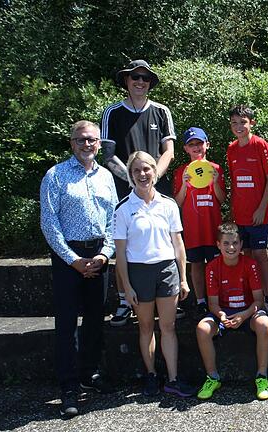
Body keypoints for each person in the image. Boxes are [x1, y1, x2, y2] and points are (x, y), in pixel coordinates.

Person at [40, 120, 118, 418]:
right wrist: (73, 260)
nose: (87, 145)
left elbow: (112, 219)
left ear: (99, 144)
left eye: (93, 140)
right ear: (72, 142)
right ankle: (69, 386)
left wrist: (103, 255)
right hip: (67, 257)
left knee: (96, 319)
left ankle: (90, 373)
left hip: (98, 255)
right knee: (67, 323)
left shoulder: (106, 177)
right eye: (82, 140)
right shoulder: (56, 175)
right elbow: (49, 222)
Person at [101, 59, 179, 326]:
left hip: (157, 187)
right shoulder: (112, 112)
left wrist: (154, 175)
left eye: (145, 78)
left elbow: (168, 150)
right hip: (125, 189)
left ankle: (168, 297)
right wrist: (133, 179)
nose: (140, 82)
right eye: (135, 77)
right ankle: (124, 300)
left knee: (165, 242)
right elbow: (108, 156)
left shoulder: (161, 111)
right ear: (126, 80)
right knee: (123, 247)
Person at [113, 151, 193, 397]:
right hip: (139, 272)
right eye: (136, 170)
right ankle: (151, 376)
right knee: (146, 327)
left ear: (154, 172)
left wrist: (183, 278)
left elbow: (178, 244)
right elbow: (121, 253)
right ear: (130, 174)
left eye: (147, 168)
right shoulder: (123, 209)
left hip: (166, 270)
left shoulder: (168, 204)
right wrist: (126, 287)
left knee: (168, 327)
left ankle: (173, 379)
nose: (142, 174)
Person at [195, 223, 268, 401]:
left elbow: (259, 301)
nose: (231, 247)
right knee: (202, 329)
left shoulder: (251, 265)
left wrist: (243, 315)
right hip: (223, 313)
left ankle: (262, 377)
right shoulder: (212, 267)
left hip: (247, 312)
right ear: (218, 244)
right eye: (226, 243)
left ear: (241, 244)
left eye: (235, 243)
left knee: (265, 324)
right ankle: (212, 377)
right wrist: (222, 316)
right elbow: (213, 303)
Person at [225, 105, 268, 320]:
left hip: (260, 214)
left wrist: (261, 208)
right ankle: (253, 297)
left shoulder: (260, 145)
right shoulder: (231, 149)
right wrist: (232, 211)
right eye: (235, 123)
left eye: (243, 122)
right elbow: (235, 182)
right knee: (245, 256)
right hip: (240, 214)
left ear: (251, 123)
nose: (239, 126)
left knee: (259, 255)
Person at [173, 127, 226, 316]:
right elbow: (177, 203)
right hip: (193, 228)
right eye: (191, 144)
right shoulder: (181, 172)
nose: (196, 147)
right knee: (196, 264)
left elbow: (222, 199)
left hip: (213, 227)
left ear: (207, 145)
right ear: (186, 149)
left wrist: (215, 182)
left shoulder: (216, 169)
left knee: (215, 265)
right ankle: (201, 300)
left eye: (199, 143)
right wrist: (185, 187)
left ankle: (217, 300)